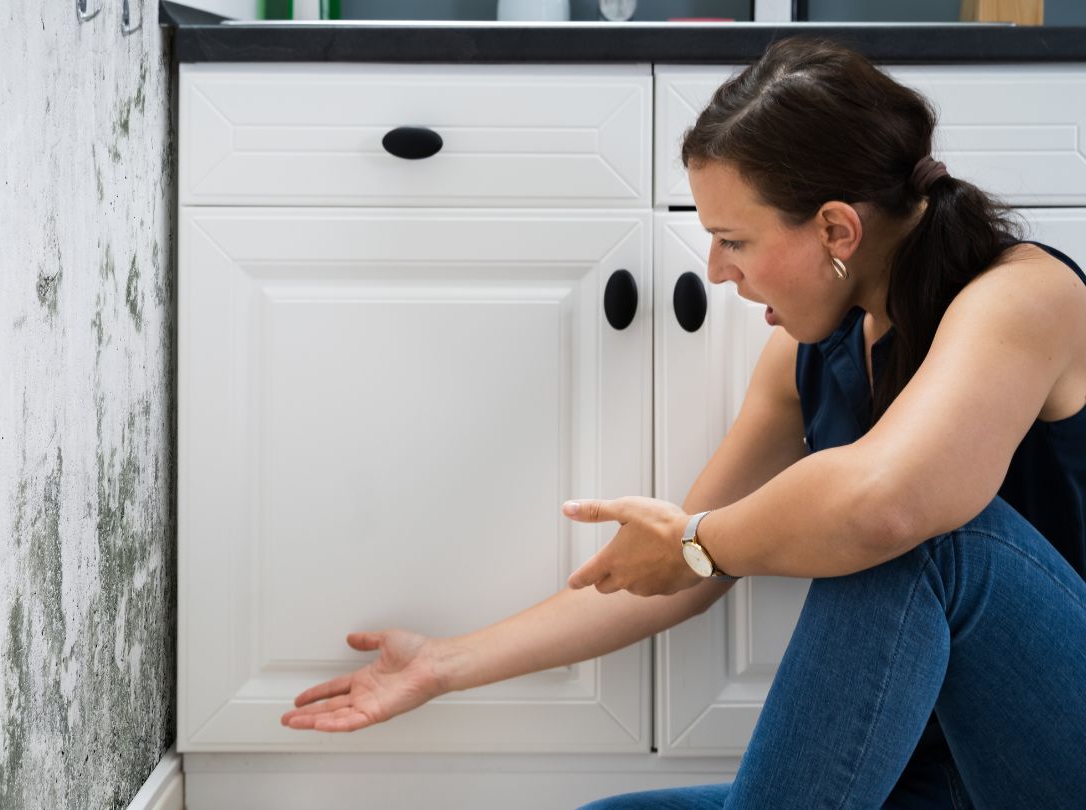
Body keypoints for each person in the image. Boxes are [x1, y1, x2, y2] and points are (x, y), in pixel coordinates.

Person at [280, 37, 1086, 808]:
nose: (716, 270)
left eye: (733, 239)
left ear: (838, 229)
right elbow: (679, 576)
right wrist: (445, 665)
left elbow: (885, 507)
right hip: (928, 779)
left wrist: (698, 541)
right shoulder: (805, 356)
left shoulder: (1023, 297)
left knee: (923, 541)